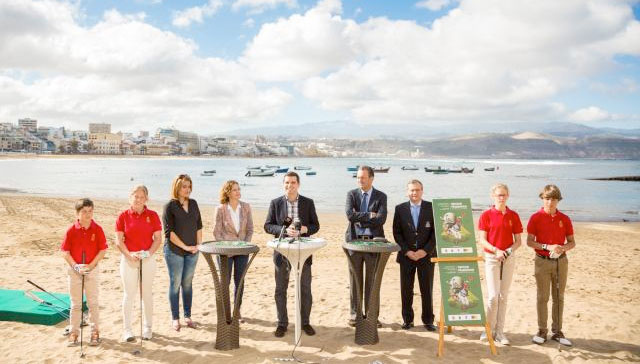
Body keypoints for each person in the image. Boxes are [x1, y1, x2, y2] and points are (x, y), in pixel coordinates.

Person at [264, 171, 320, 337]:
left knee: (305, 289)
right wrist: (283, 229)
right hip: (282, 254)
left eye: (293, 182)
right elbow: (267, 226)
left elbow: (316, 225)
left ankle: (305, 323)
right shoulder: (275, 203)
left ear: (298, 184)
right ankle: (282, 323)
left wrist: (305, 229)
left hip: (304, 252)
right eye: (287, 183)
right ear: (283, 185)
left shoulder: (308, 203)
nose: (290, 185)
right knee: (281, 290)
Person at [527, 184, 576, 347]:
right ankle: (542, 331)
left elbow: (572, 242)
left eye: (554, 199)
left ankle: (557, 332)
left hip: (561, 262)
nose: (550, 202)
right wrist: (547, 247)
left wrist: (563, 248)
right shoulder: (535, 217)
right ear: (542, 198)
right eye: (547, 199)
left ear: (558, 200)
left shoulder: (565, 219)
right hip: (542, 261)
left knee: (559, 298)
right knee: (542, 297)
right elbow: (529, 241)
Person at [115, 185, 162, 342]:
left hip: (147, 259)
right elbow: (118, 241)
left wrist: (148, 253)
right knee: (129, 294)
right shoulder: (123, 216)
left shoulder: (153, 215)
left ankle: (148, 328)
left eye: (142, 197)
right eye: (136, 196)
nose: (139, 199)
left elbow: (158, 239)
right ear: (131, 197)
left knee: (146, 294)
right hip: (129, 260)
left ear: (146, 199)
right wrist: (129, 255)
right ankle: (127, 330)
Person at [477, 183, 523, 345]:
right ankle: (487, 330)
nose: (501, 198)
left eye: (504, 195)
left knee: (503, 297)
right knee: (492, 297)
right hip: (491, 258)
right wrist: (496, 251)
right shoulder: (486, 215)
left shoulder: (514, 215)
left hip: (508, 258)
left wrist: (507, 252)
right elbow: (482, 240)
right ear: (493, 196)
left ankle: (500, 333)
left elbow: (518, 241)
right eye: (498, 195)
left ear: (508, 196)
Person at [60, 198, 108, 346]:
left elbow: (102, 250)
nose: (87, 214)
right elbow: (65, 252)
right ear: (78, 214)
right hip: (75, 271)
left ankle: (95, 332)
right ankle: (74, 332)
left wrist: (90, 266)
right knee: (75, 304)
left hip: (91, 270)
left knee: (93, 302)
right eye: (84, 212)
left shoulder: (97, 229)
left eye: (90, 211)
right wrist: (76, 266)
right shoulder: (71, 230)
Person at [392, 179, 437, 332]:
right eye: (411, 190)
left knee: (427, 289)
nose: (414, 193)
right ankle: (407, 320)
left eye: (417, 190)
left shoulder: (431, 207)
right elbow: (397, 233)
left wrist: (425, 251)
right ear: (407, 192)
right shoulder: (400, 209)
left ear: (422, 191)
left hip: (426, 256)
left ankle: (428, 320)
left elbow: (436, 233)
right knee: (406, 289)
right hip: (407, 256)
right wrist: (407, 251)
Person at [345, 165, 387, 327]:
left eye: (363, 178)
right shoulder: (352, 194)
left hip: (374, 243)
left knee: (372, 281)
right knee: (355, 280)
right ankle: (355, 316)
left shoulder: (381, 196)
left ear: (371, 178)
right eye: (358, 178)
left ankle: (371, 317)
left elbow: (381, 219)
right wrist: (370, 215)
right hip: (354, 242)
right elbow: (350, 215)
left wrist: (359, 217)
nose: (359, 180)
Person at [162, 174, 202, 331]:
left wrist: (198, 245)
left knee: (187, 283)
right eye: (184, 186)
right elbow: (169, 233)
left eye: (189, 186)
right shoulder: (169, 206)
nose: (187, 189)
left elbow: (199, 225)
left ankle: (187, 316)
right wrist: (185, 247)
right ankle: (175, 318)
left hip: (193, 251)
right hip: (175, 251)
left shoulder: (194, 203)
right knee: (175, 284)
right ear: (177, 187)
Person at [213, 180, 254, 322]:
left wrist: (245, 245)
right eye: (235, 190)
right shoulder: (221, 209)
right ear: (228, 192)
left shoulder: (246, 207)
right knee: (225, 282)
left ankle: (237, 311)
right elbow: (216, 233)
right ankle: (226, 312)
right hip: (225, 252)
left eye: (239, 189)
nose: (238, 192)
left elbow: (250, 229)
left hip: (242, 251)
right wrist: (225, 246)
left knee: (240, 281)